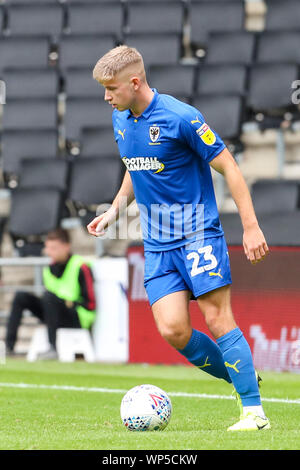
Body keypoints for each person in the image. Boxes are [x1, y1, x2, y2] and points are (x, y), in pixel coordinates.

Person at [87, 45, 271, 431]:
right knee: (173, 329)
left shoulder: (181, 117)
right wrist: (114, 210)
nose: (106, 97)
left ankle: (254, 413)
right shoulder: (122, 119)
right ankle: (243, 379)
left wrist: (250, 226)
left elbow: (230, 168)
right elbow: (134, 168)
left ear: (134, 82)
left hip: (197, 234)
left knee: (218, 318)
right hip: (157, 243)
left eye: (111, 88)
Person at [5, 228, 96, 360]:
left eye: (54, 248)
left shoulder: (80, 266)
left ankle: (53, 348)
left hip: (77, 316)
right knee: (21, 296)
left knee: (49, 297)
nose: (49, 252)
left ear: (66, 247)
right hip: (53, 313)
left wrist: (69, 303)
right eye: (48, 248)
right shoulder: (49, 268)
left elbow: (91, 303)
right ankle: (9, 347)